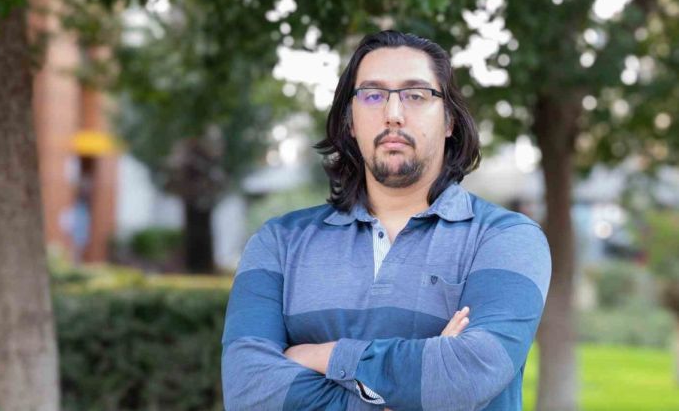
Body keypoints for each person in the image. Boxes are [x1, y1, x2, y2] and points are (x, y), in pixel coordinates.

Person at [221, 30, 551, 411]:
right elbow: (247, 391)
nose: (393, 114)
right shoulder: (279, 243)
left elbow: (467, 376)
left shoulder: (507, 238)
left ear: (449, 121)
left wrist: (322, 356)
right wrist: (409, 389)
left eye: (416, 95)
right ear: (350, 120)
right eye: (373, 95)